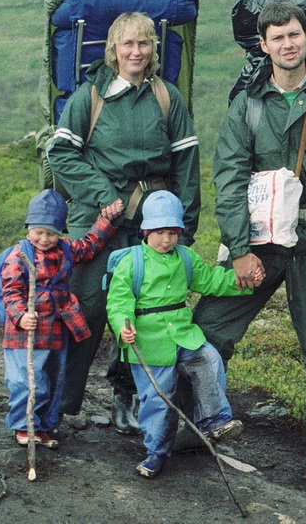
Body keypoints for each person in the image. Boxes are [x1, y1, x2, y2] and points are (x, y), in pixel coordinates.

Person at [192, 0, 306, 493]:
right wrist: (238, 248)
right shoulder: (247, 104)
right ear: (263, 45)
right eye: (277, 37)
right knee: (208, 331)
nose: (287, 44)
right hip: (260, 244)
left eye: (294, 34)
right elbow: (228, 177)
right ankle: (196, 422)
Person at [47, 12, 201, 434]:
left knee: (143, 313)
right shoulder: (90, 96)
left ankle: (127, 400)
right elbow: (60, 154)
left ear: (154, 50)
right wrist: (102, 194)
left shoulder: (168, 98)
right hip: (96, 222)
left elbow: (187, 164)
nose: (136, 52)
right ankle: (56, 405)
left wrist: (184, 226)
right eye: (127, 44)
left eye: (145, 44)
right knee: (83, 309)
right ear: (113, 50)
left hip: (152, 222)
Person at [106, 191, 250, 478]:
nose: (166, 240)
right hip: (148, 341)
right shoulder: (132, 262)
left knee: (209, 358)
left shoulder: (185, 257)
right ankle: (155, 453)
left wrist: (240, 281)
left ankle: (215, 420)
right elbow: (119, 300)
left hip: (183, 334)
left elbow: (209, 281)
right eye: (159, 232)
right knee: (158, 399)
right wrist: (124, 325)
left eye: (172, 232)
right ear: (146, 231)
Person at [0, 189, 121, 448]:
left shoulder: (65, 249)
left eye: (51, 233)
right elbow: (10, 291)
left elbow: (88, 246)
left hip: (55, 329)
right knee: (27, 380)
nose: (44, 239)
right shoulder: (18, 256)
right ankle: (24, 425)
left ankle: (43, 426)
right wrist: (21, 316)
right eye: (39, 232)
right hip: (25, 332)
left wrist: (105, 222)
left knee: (52, 380)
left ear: (61, 233)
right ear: (28, 229)